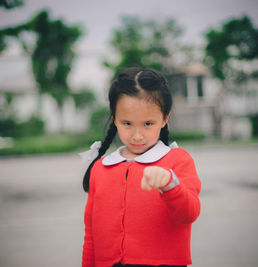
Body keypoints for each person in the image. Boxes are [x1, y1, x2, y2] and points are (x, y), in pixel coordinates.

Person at [80, 67, 201, 267]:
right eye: (127, 123)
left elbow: (189, 213)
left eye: (147, 124)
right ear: (114, 118)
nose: (137, 135)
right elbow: (91, 235)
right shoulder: (101, 168)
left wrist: (170, 185)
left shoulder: (178, 160)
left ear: (165, 118)